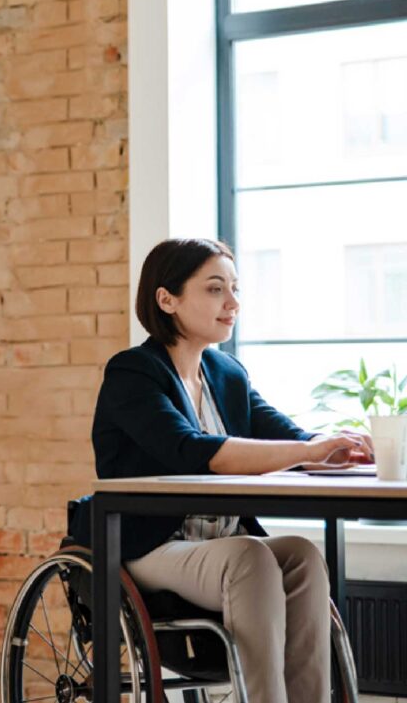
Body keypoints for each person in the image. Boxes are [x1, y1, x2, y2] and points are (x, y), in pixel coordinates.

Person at [70, 238, 373, 703]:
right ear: (166, 299)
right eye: (215, 289)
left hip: (214, 545)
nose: (233, 303)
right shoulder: (133, 372)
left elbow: (283, 432)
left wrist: (333, 446)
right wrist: (307, 452)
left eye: (235, 288)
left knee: (303, 556)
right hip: (148, 544)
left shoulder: (226, 372)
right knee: (250, 556)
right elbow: (191, 450)